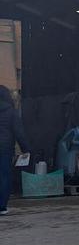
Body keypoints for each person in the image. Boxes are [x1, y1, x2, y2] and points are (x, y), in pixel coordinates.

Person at [0, 85, 31, 216]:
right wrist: (26, 149)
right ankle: (1, 207)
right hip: (5, 150)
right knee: (5, 177)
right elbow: (19, 133)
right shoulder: (12, 112)